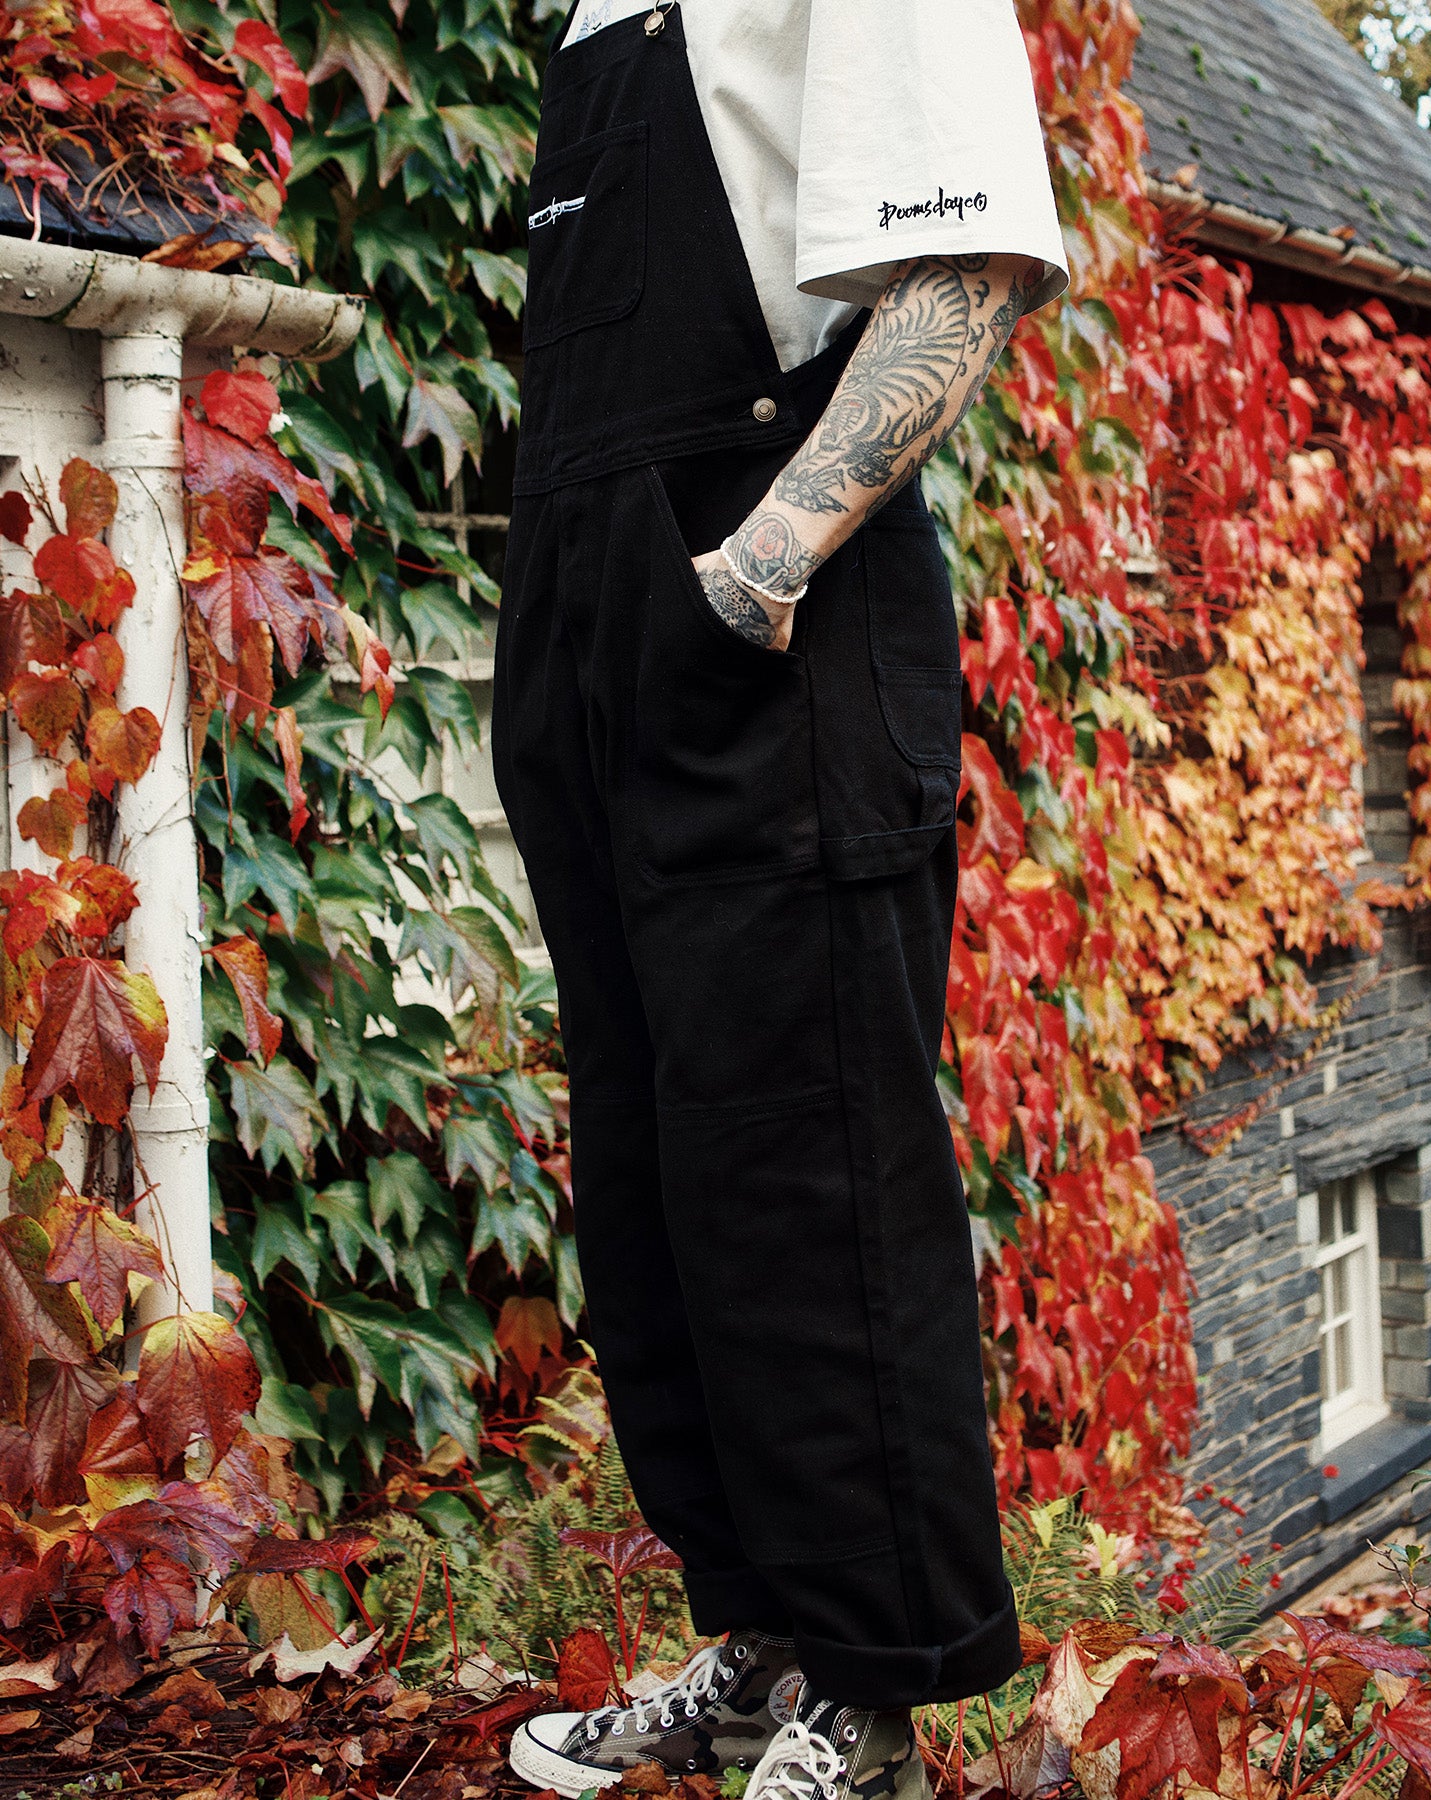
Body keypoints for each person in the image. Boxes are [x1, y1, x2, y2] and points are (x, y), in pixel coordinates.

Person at [495, 3, 1067, 1796]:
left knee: (811, 1172)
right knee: (658, 1185)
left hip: (767, 617)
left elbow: (964, 268)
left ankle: (869, 1698)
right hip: (592, 615)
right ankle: (757, 1645)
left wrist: (758, 565)